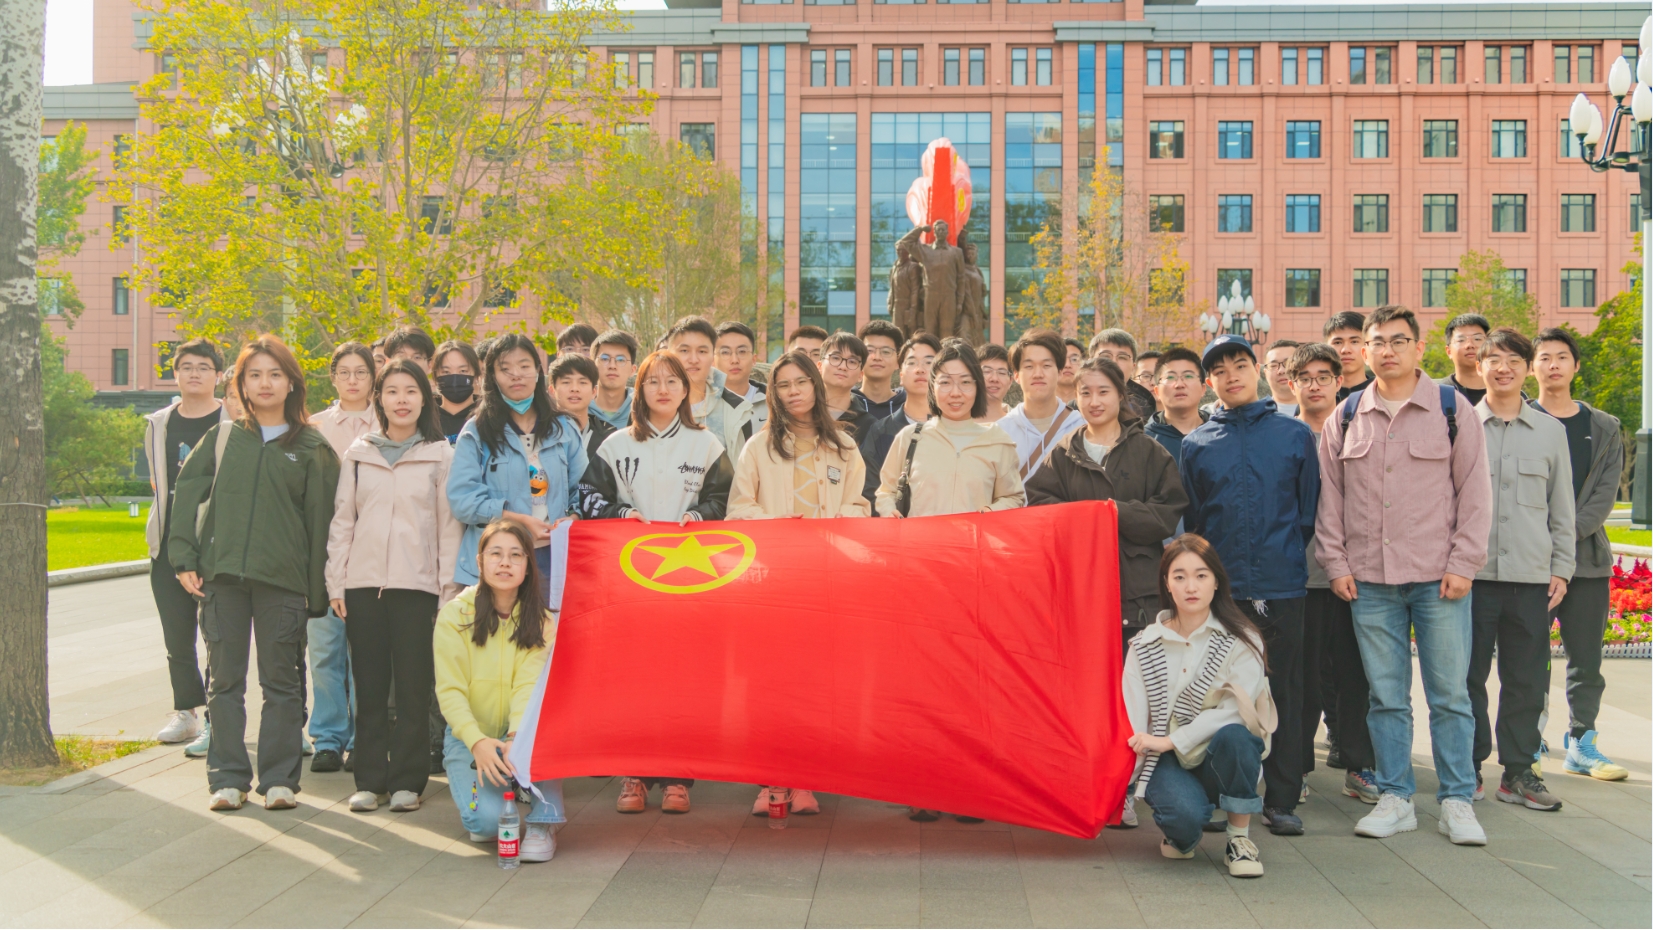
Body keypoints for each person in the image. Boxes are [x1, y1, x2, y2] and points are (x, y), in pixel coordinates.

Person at [1316, 304, 1491, 846]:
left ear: (1418, 348)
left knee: (1450, 696)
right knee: (1386, 697)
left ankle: (1457, 800)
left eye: (1398, 340)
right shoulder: (1346, 416)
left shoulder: (1451, 409)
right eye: (1377, 342)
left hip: (1439, 580)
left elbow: (1476, 493)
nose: (1387, 350)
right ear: (1364, 352)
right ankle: (1396, 797)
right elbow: (1330, 499)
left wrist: (1463, 564)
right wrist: (1336, 564)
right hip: (1370, 582)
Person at [169, 335, 341, 812]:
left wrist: (316, 593)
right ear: (241, 384)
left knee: (282, 684)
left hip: (282, 583)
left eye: (275, 374)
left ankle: (280, 780)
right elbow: (186, 496)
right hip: (221, 578)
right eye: (254, 375)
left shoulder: (312, 447)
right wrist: (184, 558)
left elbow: (322, 524)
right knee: (224, 683)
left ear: (292, 383)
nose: (265, 383)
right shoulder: (223, 438)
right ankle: (228, 779)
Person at [578, 350, 733, 816]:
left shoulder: (707, 445)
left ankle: (677, 777)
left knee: (685, 677)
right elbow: (587, 497)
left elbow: (726, 499)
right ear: (639, 390)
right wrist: (620, 513)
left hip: (691, 579)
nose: (662, 389)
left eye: (672, 381)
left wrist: (699, 515)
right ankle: (634, 773)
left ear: (686, 390)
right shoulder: (615, 445)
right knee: (632, 676)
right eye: (652, 381)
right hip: (629, 581)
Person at [1179, 334, 1318, 836]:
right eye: (1219, 370)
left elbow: (1307, 514)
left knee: (1284, 690)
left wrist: (1279, 557)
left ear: (1257, 370)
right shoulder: (1197, 444)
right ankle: (1221, 792)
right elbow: (1195, 520)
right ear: (1209, 382)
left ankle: (1281, 799)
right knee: (1219, 691)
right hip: (1225, 590)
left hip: (1282, 585)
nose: (1231, 376)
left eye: (1240, 365)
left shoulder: (1294, 435)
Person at [728, 350, 869, 817]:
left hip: (827, 583)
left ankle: (807, 779)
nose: (793, 392)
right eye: (783, 385)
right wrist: (781, 528)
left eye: (801, 382)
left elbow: (859, 506)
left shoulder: (844, 447)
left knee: (816, 684)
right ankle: (770, 780)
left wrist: (830, 524)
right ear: (774, 393)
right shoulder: (758, 447)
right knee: (767, 685)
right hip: (771, 584)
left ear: (815, 385)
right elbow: (738, 510)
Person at [326, 359, 461, 814]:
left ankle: (407, 781)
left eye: (410, 391)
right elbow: (343, 521)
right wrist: (337, 583)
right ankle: (369, 779)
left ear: (425, 399)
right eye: (392, 391)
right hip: (362, 587)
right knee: (367, 688)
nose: (401, 400)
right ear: (379, 399)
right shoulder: (359, 454)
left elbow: (448, 529)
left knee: (412, 689)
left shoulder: (440, 455)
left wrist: (447, 591)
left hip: (417, 588)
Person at [1124, 535, 1273, 879]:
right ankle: (1182, 830)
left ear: (1216, 581)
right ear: (1167, 583)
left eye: (1201, 575)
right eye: (1179, 576)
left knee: (1236, 736)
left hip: (1220, 753)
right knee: (1183, 827)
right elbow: (1135, 720)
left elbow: (1237, 711)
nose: (1191, 586)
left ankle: (1239, 838)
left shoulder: (1242, 639)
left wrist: (1172, 740)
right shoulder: (1144, 645)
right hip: (1166, 760)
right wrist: (1122, 789)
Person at [1469, 328, 1574, 812]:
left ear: (1527, 368)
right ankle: (1466, 766)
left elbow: (1562, 508)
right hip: (1469, 578)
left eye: (1514, 360)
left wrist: (1562, 568)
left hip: (1531, 578)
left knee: (1527, 680)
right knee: (1465, 677)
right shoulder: (1460, 425)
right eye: (1494, 359)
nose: (1503, 368)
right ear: (1480, 367)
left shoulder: (1551, 432)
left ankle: (1518, 771)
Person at [1025, 356, 1187, 645]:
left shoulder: (1149, 451)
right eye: (1085, 393)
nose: (1094, 401)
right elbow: (1039, 509)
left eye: (1103, 392)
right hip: (1079, 586)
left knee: (1138, 670)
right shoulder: (1063, 453)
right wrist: (1086, 517)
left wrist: (1114, 513)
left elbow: (1166, 513)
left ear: (1121, 395)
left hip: (1138, 594)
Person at [436, 519, 563, 863]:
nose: (505, 563)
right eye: (496, 554)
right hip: (470, 737)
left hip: (522, 735)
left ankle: (544, 821)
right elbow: (449, 691)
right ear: (479, 562)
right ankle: (500, 793)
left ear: (528, 566)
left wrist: (516, 737)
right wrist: (476, 741)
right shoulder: (454, 616)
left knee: (546, 735)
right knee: (488, 823)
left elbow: (527, 685)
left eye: (515, 555)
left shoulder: (542, 622)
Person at [1532, 327, 1628, 781]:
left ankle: (1582, 741)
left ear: (1575, 366)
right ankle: (1527, 738)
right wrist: (1539, 545)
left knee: (1586, 660)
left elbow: (1602, 499)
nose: (1553, 364)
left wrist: (1559, 542)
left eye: (1562, 357)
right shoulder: (1519, 419)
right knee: (1528, 657)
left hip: (1586, 563)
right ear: (1532, 367)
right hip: (1530, 564)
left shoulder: (1604, 427)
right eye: (1544, 357)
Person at [1289, 344, 1379, 805]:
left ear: (1339, 382)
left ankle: (1360, 765)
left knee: (1356, 678)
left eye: (1324, 376)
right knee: (1301, 681)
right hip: (1300, 579)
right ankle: (1296, 769)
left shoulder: (1361, 429)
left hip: (1357, 577)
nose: (1315, 385)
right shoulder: (1284, 436)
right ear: (1291, 384)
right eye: (1305, 378)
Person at [448, 333, 586, 595]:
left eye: (524, 366)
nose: (516, 375)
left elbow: (585, 489)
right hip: (496, 559)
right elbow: (462, 501)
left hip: (554, 557)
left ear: (538, 371)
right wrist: (515, 519)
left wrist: (573, 517)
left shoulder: (564, 428)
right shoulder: (476, 431)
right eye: (505, 369)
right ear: (492, 377)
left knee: (549, 622)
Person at [145, 338, 227, 750]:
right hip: (168, 540)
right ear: (175, 374)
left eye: (203, 367)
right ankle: (187, 713)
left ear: (219, 375)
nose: (194, 373)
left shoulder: (233, 418)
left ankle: (217, 717)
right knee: (177, 634)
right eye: (187, 367)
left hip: (216, 539)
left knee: (218, 633)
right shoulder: (159, 422)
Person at [306, 342, 380, 773]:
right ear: (332, 377)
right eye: (344, 372)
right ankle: (328, 738)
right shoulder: (313, 427)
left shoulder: (387, 424)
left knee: (364, 654)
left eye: (361, 372)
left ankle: (360, 739)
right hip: (322, 554)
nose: (353, 380)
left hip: (371, 556)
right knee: (324, 650)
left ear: (373, 377)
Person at [875, 341, 1024, 522]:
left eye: (965, 382)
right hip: (920, 539)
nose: (955, 393)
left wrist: (992, 511)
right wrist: (888, 510)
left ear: (978, 387)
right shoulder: (911, 437)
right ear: (933, 387)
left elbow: (1013, 497)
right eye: (945, 382)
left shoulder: (997, 441)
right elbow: (886, 491)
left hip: (975, 538)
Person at [859, 334, 940, 512]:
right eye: (911, 362)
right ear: (901, 375)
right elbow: (870, 492)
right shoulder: (880, 431)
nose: (920, 369)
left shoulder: (954, 428)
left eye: (929, 362)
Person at [997, 330, 1084, 477]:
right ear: (1016, 375)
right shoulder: (1001, 432)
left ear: (1060, 372)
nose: (1038, 374)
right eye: (1029, 366)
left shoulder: (1080, 427)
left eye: (1046, 365)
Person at [668, 316, 757, 458]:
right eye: (684, 351)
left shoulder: (737, 409)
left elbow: (741, 468)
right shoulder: (648, 403)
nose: (693, 359)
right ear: (669, 354)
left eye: (702, 351)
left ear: (713, 356)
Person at [1145, 347, 1208, 467]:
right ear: (1157, 391)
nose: (1179, 384)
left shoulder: (1220, 435)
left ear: (1203, 389)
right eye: (1170, 377)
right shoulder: (1144, 441)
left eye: (1188, 376)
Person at [550, 353, 615, 465]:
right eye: (566, 382)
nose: (575, 389)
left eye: (582, 382)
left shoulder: (609, 437)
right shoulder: (539, 433)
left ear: (594, 392)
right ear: (552, 390)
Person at [715, 321, 767, 431]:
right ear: (713, 360)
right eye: (725, 352)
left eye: (742, 351)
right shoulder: (701, 403)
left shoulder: (774, 401)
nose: (734, 360)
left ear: (753, 359)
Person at [821, 332, 873, 441]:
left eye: (852, 361)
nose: (843, 366)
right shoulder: (801, 413)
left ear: (860, 375)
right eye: (836, 358)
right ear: (819, 366)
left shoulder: (870, 426)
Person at [432, 340, 482, 444]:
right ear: (435, 377)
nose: (455, 378)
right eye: (446, 372)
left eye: (463, 371)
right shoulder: (424, 417)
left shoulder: (487, 415)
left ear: (476, 375)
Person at [854, 320, 905, 418]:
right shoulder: (847, 403)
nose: (877, 357)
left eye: (885, 352)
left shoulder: (907, 406)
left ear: (898, 361)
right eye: (869, 351)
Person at [590, 328, 639, 430]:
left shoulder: (642, 409)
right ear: (593, 366)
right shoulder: (580, 407)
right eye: (604, 359)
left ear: (632, 370)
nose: (612, 366)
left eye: (620, 360)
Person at [1442, 314, 1490, 406]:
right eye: (1461, 340)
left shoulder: (1507, 392)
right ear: (1449, 351)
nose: (1470, 345)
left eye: (1477, 339)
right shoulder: (1436, 393)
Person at [1324, 312, 1372, 399]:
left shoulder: (1382, 393)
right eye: (1337, 342)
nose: (1345, 350)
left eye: (1354, 342)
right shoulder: (1318, 396)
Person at [1262, 340, 1302, 416]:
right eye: (1273, 366)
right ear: (1265, 373)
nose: (1281, 371)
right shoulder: (1256, 415)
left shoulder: (1321, 411)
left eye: (1287, 363)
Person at [976, 343, 1012, 423]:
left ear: (1010, 381)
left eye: (1002, 373)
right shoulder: (957, 422)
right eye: (987, 371)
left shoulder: (1021, 424)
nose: (994, 379)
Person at [1056, 337, 1085, 406]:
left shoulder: (1091, 404)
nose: (1067, 365)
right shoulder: (1039, 401)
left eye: (1074, 359)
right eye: (1062, 359)